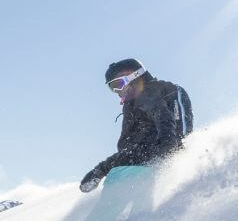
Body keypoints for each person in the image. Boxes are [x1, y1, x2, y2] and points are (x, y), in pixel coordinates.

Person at [79, 58, 193, 192]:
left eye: (119, 84)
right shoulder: (131, 106)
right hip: (151, 151)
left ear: (135, 76)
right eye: (112, 88)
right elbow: (129, 150)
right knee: (131, 155)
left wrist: (167, 147)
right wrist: (100, 170)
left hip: (169, 142)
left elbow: (162, 116)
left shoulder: (149, 92)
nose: (117, 91)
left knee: (165, 147)